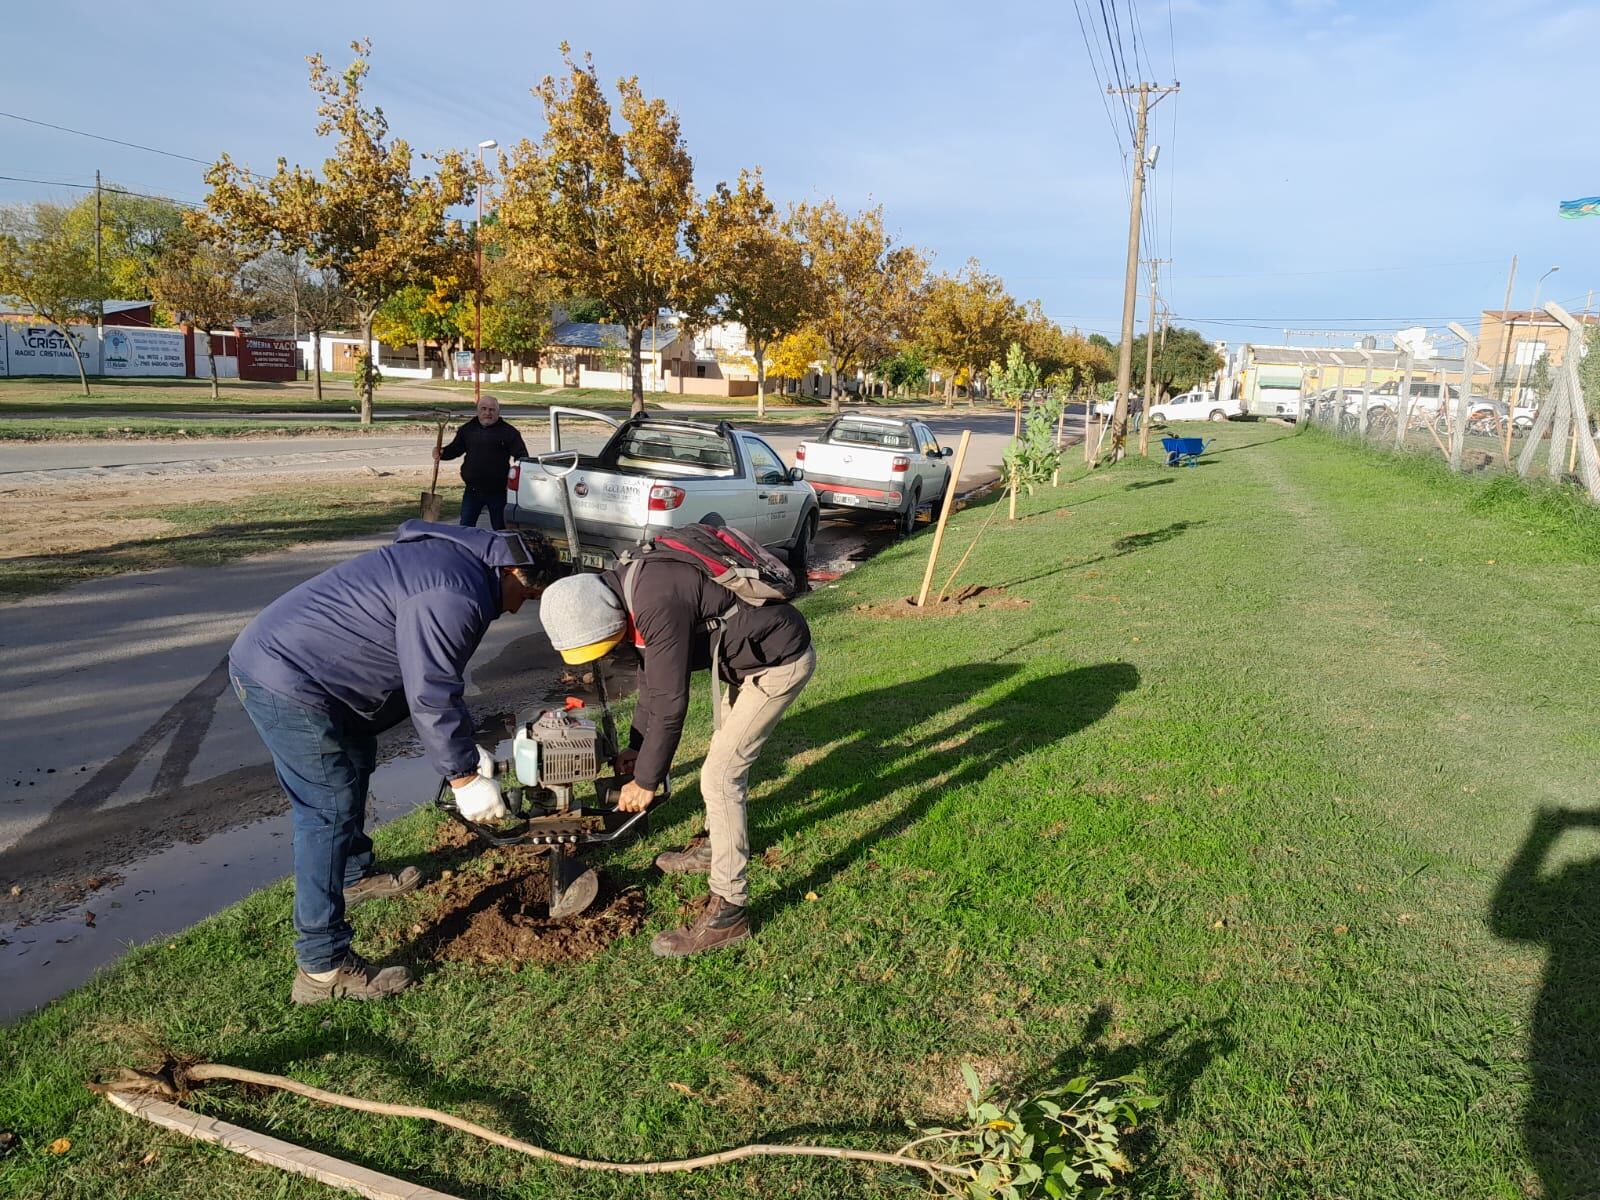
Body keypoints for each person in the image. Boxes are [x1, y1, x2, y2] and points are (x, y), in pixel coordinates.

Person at [228, 521, 552, 1004]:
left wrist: (463, 747)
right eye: (524, 595)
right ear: (511, 569)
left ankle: (353, 874)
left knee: (356, 759)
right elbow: (429, 691)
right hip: (287, 679)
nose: (516, 607)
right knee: (327, 809)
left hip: (319, 677)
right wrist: (462, 777)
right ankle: (322, 967)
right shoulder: (454, 594)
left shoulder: (460, 565)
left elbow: (433, 674)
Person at [538, 560, 815, 956]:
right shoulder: (630, 587)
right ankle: (712, 849)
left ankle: (729, 912)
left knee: (720, 775)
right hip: (750, 659)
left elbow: (671, 704)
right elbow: (652, 679)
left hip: (777, 663)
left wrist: (646, 781)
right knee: (722, 760)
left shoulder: (655, 603)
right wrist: (637, 748)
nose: (613, 651)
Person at [436, 395, 528, 531]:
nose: (487, 413)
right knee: (465, 528)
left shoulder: (509, 433)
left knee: (501, 530)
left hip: (498, 492)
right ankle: (465, 551)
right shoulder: (467, 430)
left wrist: (517, 477)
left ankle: (501, 552)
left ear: (498, 412)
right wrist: (442, 452)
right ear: (477, 410)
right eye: (483, 409)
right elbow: (455, 449)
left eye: (492, 410)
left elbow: (522, 457)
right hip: (472, 491)